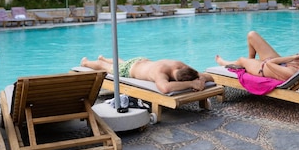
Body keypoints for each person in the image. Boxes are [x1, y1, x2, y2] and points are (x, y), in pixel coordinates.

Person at [214, 31, 299, 81]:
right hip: (276, 61)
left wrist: (292, 58)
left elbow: (269, 63)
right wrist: (296, 58)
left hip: (262, 68)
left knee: (242, 60)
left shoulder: (293, 72)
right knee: (252, 35)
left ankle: (225, 63)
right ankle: (250, 63)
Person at [80, 55, 213, 93]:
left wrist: (200, 80)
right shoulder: (160, 73)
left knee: (120, 62)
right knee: (107, 67)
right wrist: (191, 84)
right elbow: (165, 88)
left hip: (140, 60)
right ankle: (86, 63)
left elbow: (205, 75)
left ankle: (103, 57)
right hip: (129, 70)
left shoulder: (179, 65)